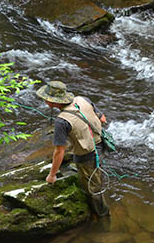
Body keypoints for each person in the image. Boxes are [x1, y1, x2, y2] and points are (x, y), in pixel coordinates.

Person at [36, 80, 110, 217]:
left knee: (93, 188)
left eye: (45, 99)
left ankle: (103, 217)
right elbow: (103, 119)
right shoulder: (83, 99)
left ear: (52, 102)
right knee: (95, 175)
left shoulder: (61, 121)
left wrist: (52, 175)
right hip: (101, 145)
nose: (45, 101)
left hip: (87, 156)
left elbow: (59, 151)